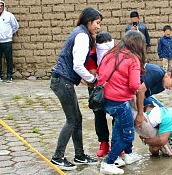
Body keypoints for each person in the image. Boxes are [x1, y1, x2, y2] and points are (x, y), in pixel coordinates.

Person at [49, 7, 102, 171]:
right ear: (89, 21)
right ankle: (57, 157)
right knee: (72, 120)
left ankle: (79, 155)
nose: (99, 27)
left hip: (64, 80)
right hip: (62, 81)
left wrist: (84, 80)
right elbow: (77, 65)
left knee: (77, 118)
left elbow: (74, 64)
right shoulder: (82, 36)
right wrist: (93, 79)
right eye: (97, 23)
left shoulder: (80, 33)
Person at [97, 30, 146, 174]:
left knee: (118, 129)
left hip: (107, 100)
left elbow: (101, 75)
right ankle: (108, 162)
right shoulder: (132, 59)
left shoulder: (111, 54)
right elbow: (134, 85)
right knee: (128, 135)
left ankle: (121, 158)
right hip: (120, 101)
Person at [84, 32, 115, 158]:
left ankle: (116, 143)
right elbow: (93, 75)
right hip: (97, 87)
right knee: (99, 114)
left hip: (114, 86)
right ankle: (103, 143)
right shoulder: (92, 56)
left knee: (117, 114)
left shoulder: (116, 52)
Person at [0, 0, 19, 83]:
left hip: (7, 41)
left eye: (1, 6)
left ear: (3, 6)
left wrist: (9, 34)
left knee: (9, 59)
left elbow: (15, 26)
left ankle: (9, 76)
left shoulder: (9, 15)